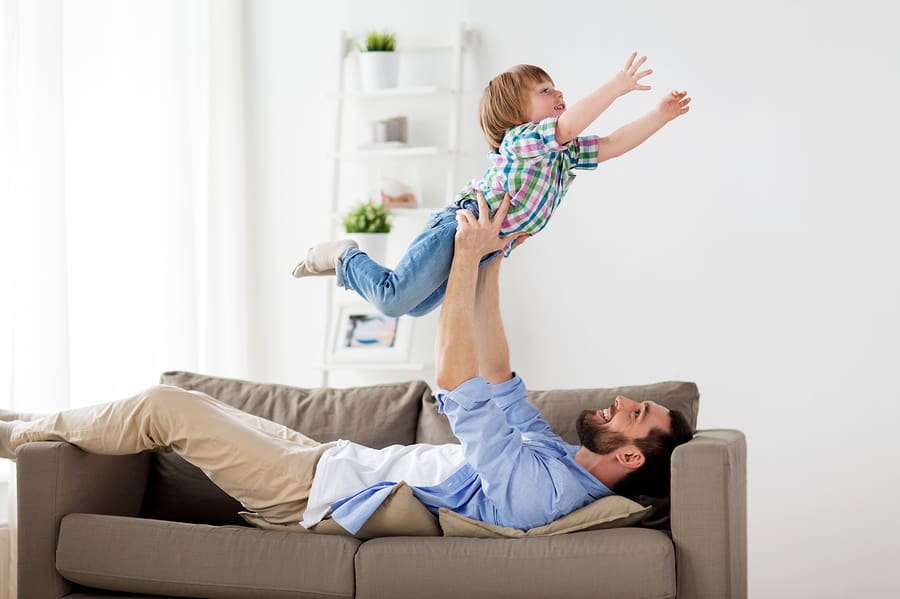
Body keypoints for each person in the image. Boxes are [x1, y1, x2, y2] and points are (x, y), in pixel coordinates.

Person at [0, 192, 692, 533]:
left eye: (632, 413)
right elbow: (501, 378)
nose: (618, 403)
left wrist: (460, 265)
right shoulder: (563, 457)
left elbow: (459, 385)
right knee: (183, 403)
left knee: (165, 404)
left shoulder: (547, 493)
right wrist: (490, 264)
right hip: (330, 457)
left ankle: (20, 433)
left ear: (631, 458)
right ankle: (33, 421)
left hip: (311, 493)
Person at [292, 53, 691, 318]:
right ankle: (345, 256)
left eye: (555, 87)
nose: (559, 93)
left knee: (413, 308)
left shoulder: (563, 154)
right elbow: (569, 125)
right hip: (459, 230)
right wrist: (616, 86)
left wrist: (660, 115)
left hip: (483, 247)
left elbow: (611, 144)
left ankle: (345, 267)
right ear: (516, 114)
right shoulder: (520, 141)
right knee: (394, 301)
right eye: (545, 90)